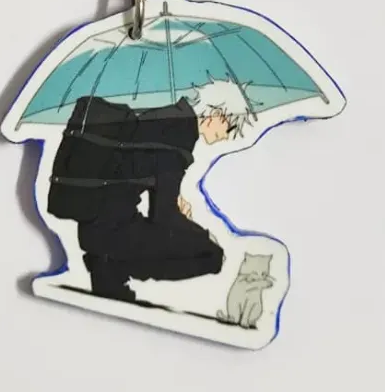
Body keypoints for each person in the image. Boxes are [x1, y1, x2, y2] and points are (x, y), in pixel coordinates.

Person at [47, 78, 255, 302]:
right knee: (212, 255)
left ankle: (108, 269)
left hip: (93, 228)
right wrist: (202, 234)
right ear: (217, 115)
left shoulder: (163, 118)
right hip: (114, 234)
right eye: (231, 127)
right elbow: (163, 216)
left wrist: (170, 193)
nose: (227, 136)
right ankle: (114, 265)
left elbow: (136, 170)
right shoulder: (179, 135)